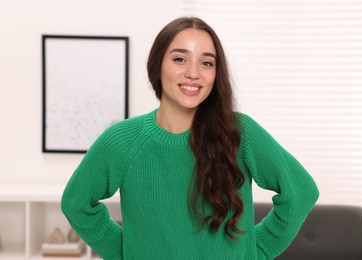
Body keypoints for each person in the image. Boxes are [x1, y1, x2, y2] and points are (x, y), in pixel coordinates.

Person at [61, 17, 319, 260]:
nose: (193, 73)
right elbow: (77, 204)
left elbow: (301, 191)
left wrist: (255, 250)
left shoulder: (239, 131)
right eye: (180, 59)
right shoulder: (122, 141)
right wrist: (129, 252)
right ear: (158, 64)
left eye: (206, 63)